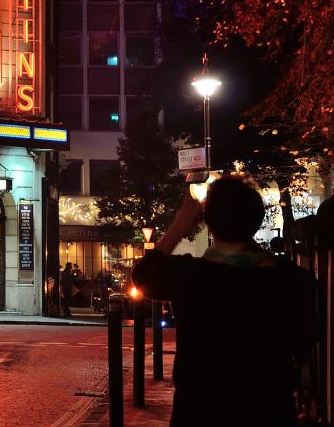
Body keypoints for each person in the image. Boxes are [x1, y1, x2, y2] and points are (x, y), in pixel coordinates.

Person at [132, 175, 312, 426]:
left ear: (208, 222)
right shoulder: (289, 279)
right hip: (268, 410)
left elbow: (142, 276)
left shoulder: (190, 276)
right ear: (256, 218)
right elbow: (304, 345)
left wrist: (181, 224)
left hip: (200, 410)